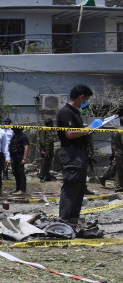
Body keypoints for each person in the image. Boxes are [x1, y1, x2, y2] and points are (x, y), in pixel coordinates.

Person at [57, 84, 94, 225]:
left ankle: (73, 219)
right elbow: (70, 134)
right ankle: (64, 220)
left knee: (79, 187)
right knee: (71, 186)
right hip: (71, 154)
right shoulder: (66, 112)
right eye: (86, 99)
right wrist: (88, 129)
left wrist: (87, 130)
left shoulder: (76, 112)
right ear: (81, 97)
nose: (85, 103)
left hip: (79, 153)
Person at [98, 121, 123, 191]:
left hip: (117, 153)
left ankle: (118, 188)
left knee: (118, 171)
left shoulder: (117, 130)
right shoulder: (121, 130)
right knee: (118, 170)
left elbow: (113, 145)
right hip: (121, 153)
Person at [9, 124, 30, 194]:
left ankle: (22, 189)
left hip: (20, 157)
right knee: (15, 172)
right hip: (14, 157)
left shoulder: (23, 137)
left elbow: (26, 147)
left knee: (20, 173)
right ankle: (18, 188)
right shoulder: (14, 136)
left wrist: (24, 158)